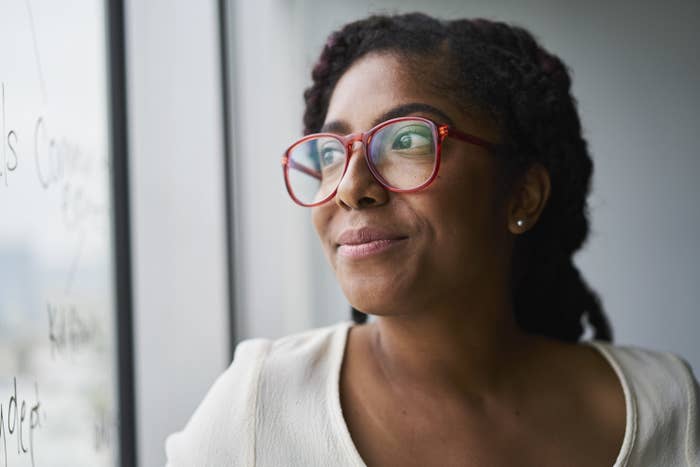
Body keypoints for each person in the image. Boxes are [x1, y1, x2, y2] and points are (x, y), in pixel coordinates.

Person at [165, 12, 699, 466]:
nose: (350, 188)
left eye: (407, 141)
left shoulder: (667, 407)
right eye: (331, 153)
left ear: (523, 196)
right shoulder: (259, 406)